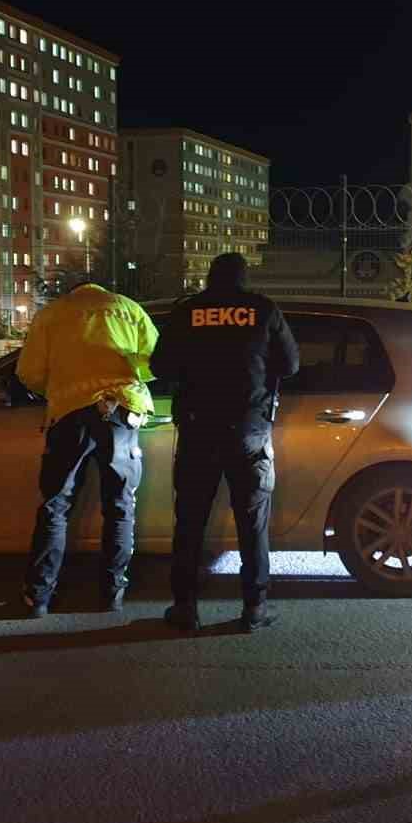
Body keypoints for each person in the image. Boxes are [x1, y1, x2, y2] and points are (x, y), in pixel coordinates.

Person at [150, 252, 299, 633]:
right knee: (252, 523)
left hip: (199, 430)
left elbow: (160, 366)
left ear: (209, 278)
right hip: (248, 431)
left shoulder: (188, 311)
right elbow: (291, 364)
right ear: (243, 279)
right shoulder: (262, 309)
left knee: (190, 523)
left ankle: (185, 607)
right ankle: (254, 608)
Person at [16, 279, 159, 617]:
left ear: (75, 292)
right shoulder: (129, 308)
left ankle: (38, 596)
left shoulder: (53, 314)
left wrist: (58, 385)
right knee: (120, 505)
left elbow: (29, 373)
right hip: (122, 411)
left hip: (70, 413)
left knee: (56, 504)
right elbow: (154, 362)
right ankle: (112, 593)